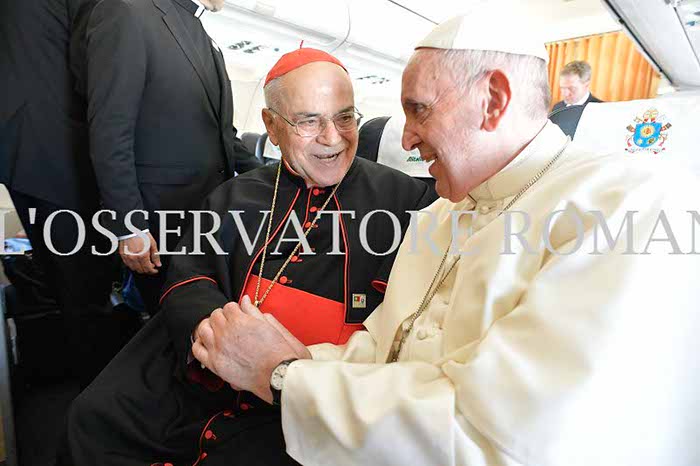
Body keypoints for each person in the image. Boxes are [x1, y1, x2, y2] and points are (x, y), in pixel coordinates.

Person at [185, 10, 700, 466]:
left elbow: (502, 439)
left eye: (419, 109)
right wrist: (279, 362)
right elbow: (382, 352)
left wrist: (284, 375)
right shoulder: (439, 216)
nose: (406, 138)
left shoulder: (627, 206)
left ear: (493, 100)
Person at [60, 48, 436, 465]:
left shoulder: (411, 201)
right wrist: (218, 339)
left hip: (318, 387)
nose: (333, 138)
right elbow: (190, 278)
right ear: (271, 126)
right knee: (95, 418)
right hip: (210, 372)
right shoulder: (235, 195)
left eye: (345, 117)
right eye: (309, 121)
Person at [83, 0, 262, 314]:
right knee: (170, 323)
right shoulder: (127, 13)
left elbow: (222, 134)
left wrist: (273, 176)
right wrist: (130, 227)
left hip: (204, 221)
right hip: (158, 224)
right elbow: (110, 132)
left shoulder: (203, 34)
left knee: (200, 322)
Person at [0, 0, 141, 388]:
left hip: (23, 148)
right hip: (58, 150)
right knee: (86, 291)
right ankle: (96, 394)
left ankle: (68, 374)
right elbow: (93, 67)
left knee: (61, 281)